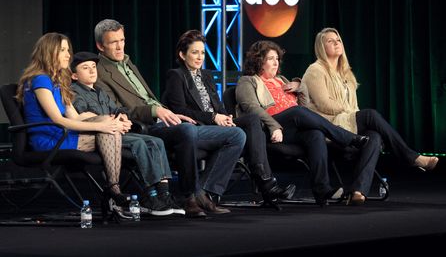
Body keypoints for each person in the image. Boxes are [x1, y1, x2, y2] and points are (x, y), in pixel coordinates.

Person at [93, 19, 246, 217]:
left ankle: (205, 192)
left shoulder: (128, 63)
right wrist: (156, 112)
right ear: (100, 45)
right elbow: (116, 110)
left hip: (166, 120)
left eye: (122, 40)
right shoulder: (99, 72)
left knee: (237, 135)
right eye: (113, 42)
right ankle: (190, 195)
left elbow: (150, 98)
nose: (120, 45)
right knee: (187, 130)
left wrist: (170, 112)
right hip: (146, 127)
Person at [163, 30, 296, 207]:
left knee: (251, 120)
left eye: (202, 52)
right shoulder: (176, 75)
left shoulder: (206, 75)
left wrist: (225, 117)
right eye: (195, 52)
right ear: (182, 54)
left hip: (216, 123)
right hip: (196, 126)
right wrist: (213, 117)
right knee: (239, 134)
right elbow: (178, 109)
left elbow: (218, 105)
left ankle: (265, 179)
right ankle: (263, 185)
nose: (200, 57)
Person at [236, 40, 373, 206]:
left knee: (315, 134)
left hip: (292, 128)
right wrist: (274, 126)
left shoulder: (282, 80)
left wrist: (301, 88)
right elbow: (252, 109)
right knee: (297, 113)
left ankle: (322, 190)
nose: (275, 62)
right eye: (270, 58)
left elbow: (306, 108)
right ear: (259, 61)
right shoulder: (248, 81)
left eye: (277, 58)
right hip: (268, 129)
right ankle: (345, 137)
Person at [16, 32, 129, 214]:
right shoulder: (40, 80)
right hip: (49, 139)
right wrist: (102, 126)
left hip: (63, 134)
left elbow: (76, 117)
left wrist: (112, 121)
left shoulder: (58, 82)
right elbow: (59, 120)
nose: (68, 54)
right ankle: (113, 188)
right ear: (49, 52)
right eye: (62, 50)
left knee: (110, 126)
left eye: (68, 49)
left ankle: (112, 188)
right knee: (108, 130)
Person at [301, 27, 438, 176]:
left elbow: (354, 105)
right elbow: (324, 104)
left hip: (347, 121)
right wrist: (353, 113)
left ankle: (358, 190)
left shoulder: (346, 73)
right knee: (370, 115)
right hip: (330, 125)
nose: (336, 43)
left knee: (374, 136)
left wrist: (353, 113)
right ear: (321, 47)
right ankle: (411, 157)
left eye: (338, 40)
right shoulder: (315, 70)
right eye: (330, 41)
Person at [70, 51, 185, 216]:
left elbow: (117, 109)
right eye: (85, 68)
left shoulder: (100, 91)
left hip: (117, 130)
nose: (92, 71)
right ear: (74, 75)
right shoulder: (74, 91)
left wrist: (123, 117)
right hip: (102, 136)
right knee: (138, 144)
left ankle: (164, 193)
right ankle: (150, 195)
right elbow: (85, 116)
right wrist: (114, 122)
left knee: (155, 141)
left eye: (94, 67)